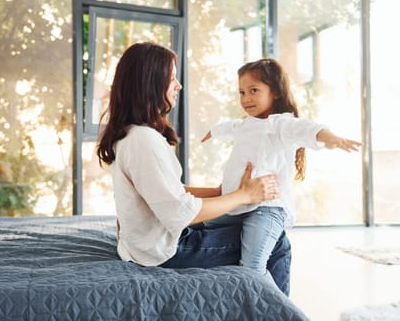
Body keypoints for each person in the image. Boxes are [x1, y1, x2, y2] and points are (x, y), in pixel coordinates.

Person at [96, 42, 292, 295]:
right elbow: (180, 213)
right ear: (150, 83)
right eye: (172, 78)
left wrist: (220, 192)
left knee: (246, 221)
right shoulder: (143, 140)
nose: (179, 85)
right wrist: (244, 195)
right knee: (277, 243)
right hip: (161, 252)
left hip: (142, 243)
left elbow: (169, 192)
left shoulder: (134, 135)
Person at [201, 58, 361, 286]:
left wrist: (332, 138)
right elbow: (228, 127)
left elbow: (308, 129)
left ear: (274, 91)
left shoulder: (280, 124)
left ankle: (267, 309)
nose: (246, 98)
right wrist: (212, 132)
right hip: (235, 204)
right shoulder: (246, 124)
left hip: (267, 209)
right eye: (242, 92)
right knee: (198, 224)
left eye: (253, 90)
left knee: (252, 266)